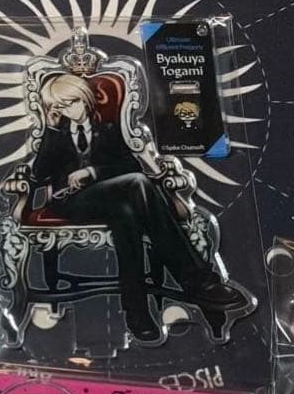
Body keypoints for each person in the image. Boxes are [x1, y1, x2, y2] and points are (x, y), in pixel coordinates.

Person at [31, 72, 244, 342]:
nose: (68, 110)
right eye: (60, 107)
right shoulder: (57, 136)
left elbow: (130, 165)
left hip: (112, 201)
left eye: (72, 102)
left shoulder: (109, 130)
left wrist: (93, 172)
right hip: (72, 203)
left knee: (127, 216)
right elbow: (38, 174)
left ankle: (137, 315)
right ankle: (198, 282)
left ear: (85, 99)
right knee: (139, 183)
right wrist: (50, 130)